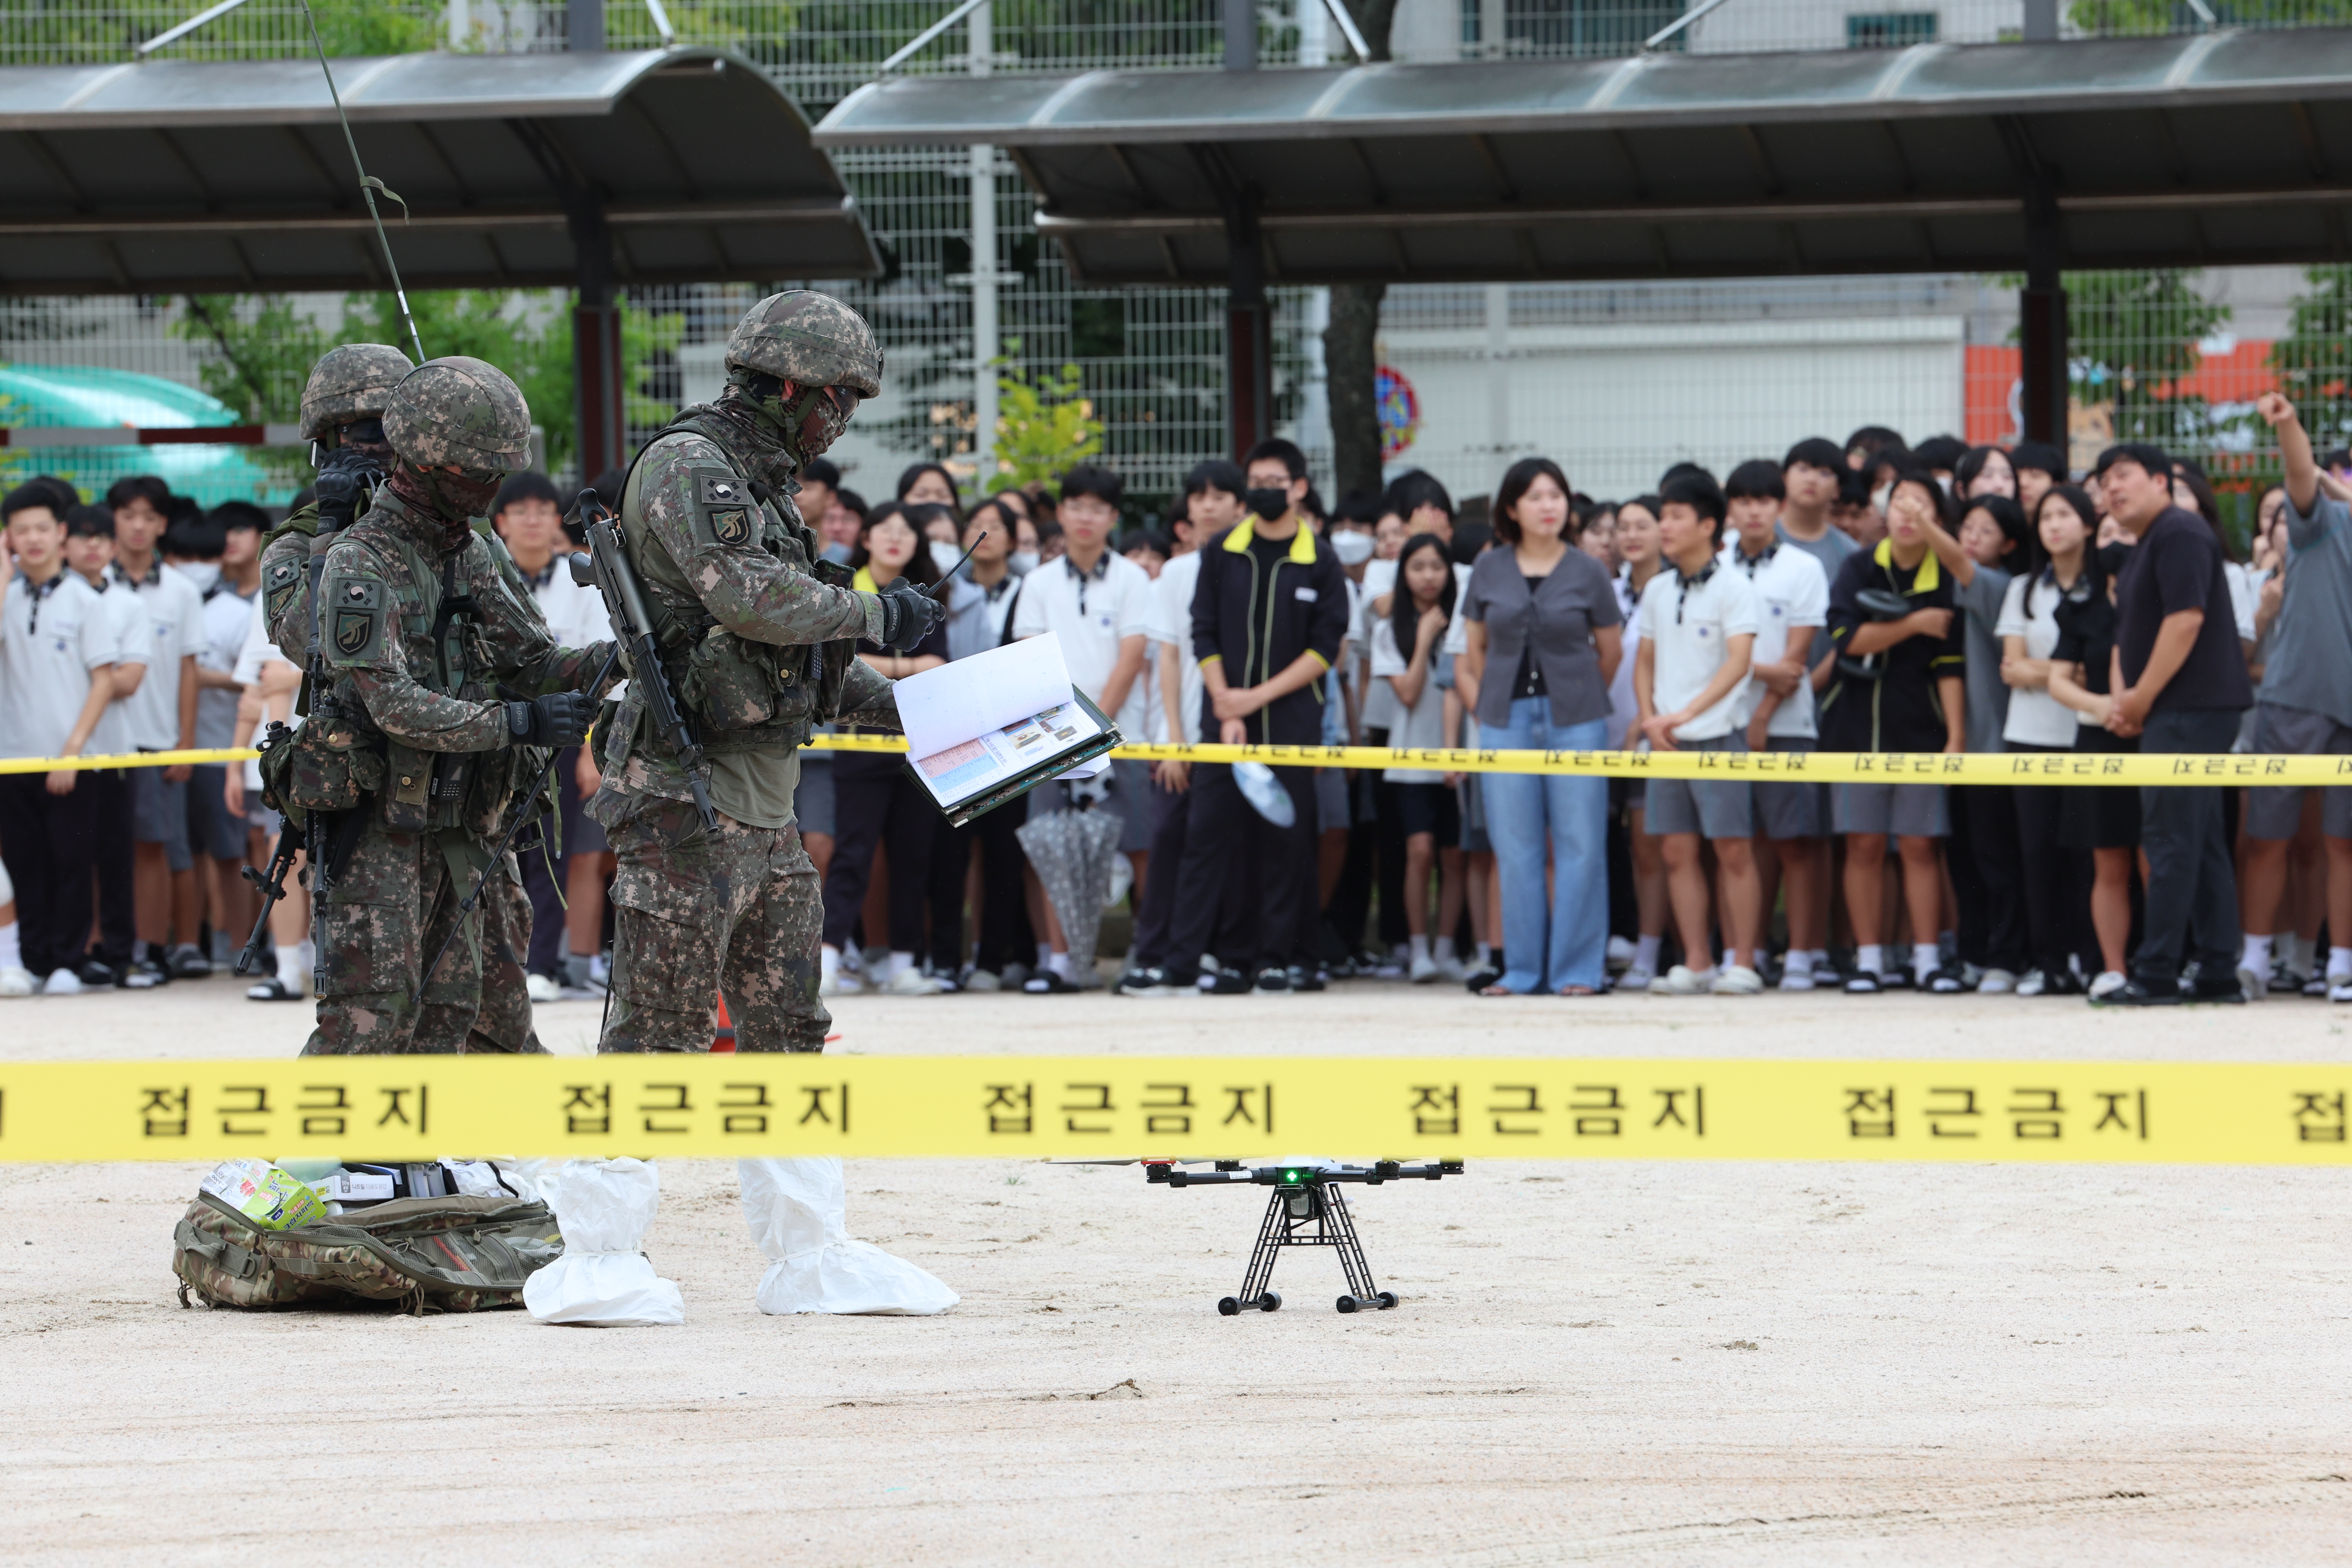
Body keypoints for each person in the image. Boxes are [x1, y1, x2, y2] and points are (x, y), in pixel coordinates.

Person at [593, 290, 934, 1053]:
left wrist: (936, 710)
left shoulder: (763, 483)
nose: (843, 419)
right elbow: (751, 600)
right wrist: (879, 615)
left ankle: (782, 1146)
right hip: (687, 800)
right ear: (789, 387)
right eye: (841, 399)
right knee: (661, 1033)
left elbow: (795, 657)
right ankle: (625, 1145)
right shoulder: (692, 464)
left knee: (790, 1029)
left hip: (765, 808)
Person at [298, 356, 613, 1055]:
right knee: (370, 1026)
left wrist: (630, 652)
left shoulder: (470, 550)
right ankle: (320, 1135)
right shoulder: (361, 558)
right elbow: (393, 704)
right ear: (425, 465)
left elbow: (535, 663)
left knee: (472, 1021)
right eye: (478, 472)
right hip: (383, 829)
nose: (494, 487)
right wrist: (521, 722)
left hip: (468, 819)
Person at [1163, 441, 1348, 995]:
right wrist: (1226, 702)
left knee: (1286, 842)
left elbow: (1325, 648)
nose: (1265, 491)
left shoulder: (1321, 558)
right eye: (1257, 482)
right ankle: (1227, 959)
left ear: (1299, 488)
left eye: (1276, 482)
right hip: (1223, 722)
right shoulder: (1223, 551)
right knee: (1218, 838)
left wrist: (1255, 699)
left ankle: (1279, 958)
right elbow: (1203, 631)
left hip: (1291, 722)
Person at [2090, 443, 2253, 1006]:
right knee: (2199, 842)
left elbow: (2186, 621)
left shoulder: (2179, 532)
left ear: (2161, 481)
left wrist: (2142, 698)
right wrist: (2130, 701)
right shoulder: (2149, 543)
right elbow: (2132, 636)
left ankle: (2157, 972)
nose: (2112, 488)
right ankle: (2217, 971)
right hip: (2178, 709)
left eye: (2123, 475)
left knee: (2169, 839)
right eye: (2104, 482)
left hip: (2188, 708)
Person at [1459, 457, 1623, 996]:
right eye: (1535, 497)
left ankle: (1578, 971)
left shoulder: (1588, 570)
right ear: (1512, 508)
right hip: (1505, 720)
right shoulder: (1489, 568)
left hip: (1576, 720)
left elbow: (1611, 650)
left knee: (1581, 845)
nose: (1548, 506)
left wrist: (1577, 693)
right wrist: (1492, 700)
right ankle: (1522, 970)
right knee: (1515, 847)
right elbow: (1476, 645)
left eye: (1556, 495)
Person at [1819, 470, 1967, 995]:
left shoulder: (1945, 576)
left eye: (1920, 504)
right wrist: (1912, 625)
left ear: (1938, 517)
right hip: (1854, 730)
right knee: (1862, 846)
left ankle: (1927, 959)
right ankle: (1869, 960)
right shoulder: (1859, 567)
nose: (1908, 513)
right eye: (1900, 502)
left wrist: (1955, 737)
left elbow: (1950, 664)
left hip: (1921, 731)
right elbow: (1847, 639)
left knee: (1921, 847)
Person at [1010, 463, 1153, 993]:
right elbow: (1030, 658)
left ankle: (1145, 951)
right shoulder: (1038, 582)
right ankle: (1063, 961)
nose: (1086, 517)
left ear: (1114, 517)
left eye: (1098, 508)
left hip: (1124, 736)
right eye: (1076, 506)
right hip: (1052, 742)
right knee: (1054, 844)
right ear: (1062, 513)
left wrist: (1096, 730)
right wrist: (1070, 734)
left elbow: (1133, 657)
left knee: (1139, 844)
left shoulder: (1133, 578)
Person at [2237, 393, 2352, 1002]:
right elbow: (2301, 472)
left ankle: (2341, 966)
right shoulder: (2320, 523)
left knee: (2343, 843)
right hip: (2294, 701)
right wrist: (2288, 424)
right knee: (2268, 836)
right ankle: (2255, 960)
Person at [1633, 469, 1761, 996]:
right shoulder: (1657, 589)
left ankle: (1744, 961)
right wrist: (1652, 719)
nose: (1664, 526)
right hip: (1665, 741)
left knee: (1733, 851)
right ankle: (1697, 961)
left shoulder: (1735, 587)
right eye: (1662, 516)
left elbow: (1739, 662)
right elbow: (1645, 661)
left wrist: (1684, 714)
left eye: (1675, 516)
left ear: (1708, 525)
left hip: (1718, 736)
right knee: (1676, 853)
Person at [818, 502, 954, 996]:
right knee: (852, 854)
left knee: (912, 856)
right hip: (859, 744)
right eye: (886, 530)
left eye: (906, 532)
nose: (896, 539)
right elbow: (837, 660)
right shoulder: (845, 592)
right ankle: (828, 960)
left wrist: (883, 666)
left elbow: (942, 664)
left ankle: (902, 964)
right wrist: (909, 669)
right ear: (867, 538)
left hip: (918, 745)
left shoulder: (929, 594)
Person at [1122, 459, 1241, 996]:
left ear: (1240, 505)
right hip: (1180, 731)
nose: (1209, 505)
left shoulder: (1252, 566)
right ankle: (1155, 955)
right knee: (1169, 840)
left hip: (1237, 731)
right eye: (1199, 496)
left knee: (1224, 847)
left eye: (1220, 495)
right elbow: (1168, 657)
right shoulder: (1175, 572)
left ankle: (1214, 951)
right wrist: (1174, 740)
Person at [489, 471, 607, 1003]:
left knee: (550, 852)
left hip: (560, 735)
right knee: (492, 848)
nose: (533, 520)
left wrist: (589, 751)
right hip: (495, 730)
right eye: (522, 511)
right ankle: (496, 965)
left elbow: (602, 671)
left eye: (543, 510)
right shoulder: (485, 576)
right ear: (501, 522)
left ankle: (541, 966)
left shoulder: (582, 578)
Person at [0, 481, 120, 996]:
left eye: (42, 529)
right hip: (12, 757)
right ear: (8, 538)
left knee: (71, 862)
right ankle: (31, 960)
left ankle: (69, 961)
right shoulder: (6, 597)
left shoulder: (84, 600)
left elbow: (104, 680)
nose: (33, 539)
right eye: (21, 530)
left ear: (60, 533)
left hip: (74, 757)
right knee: (22, 865)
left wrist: (72, 751)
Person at [1721, 459, 1832, 991]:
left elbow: (1795, 665)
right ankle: (1747, 952)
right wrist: (1753, 671)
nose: (1753, 511)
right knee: (1737, 843)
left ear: (1780, 507)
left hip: (1787, 723)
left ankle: (1802, 955)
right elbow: (1708, 654)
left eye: (1764, 501)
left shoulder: (1803, 568)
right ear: (1729, 508)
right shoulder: (1713, 564)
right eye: (1743, 501)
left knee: (1795, 842)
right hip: (1720, 721)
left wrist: (1761, 710)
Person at [1923, 492, 2033, 991]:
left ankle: (2006, 958)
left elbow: (1957, 562)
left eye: (1986, 531)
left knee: (1996, 858)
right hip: (1960, 748)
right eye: (1967, 526)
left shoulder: (2000, 586)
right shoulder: (1960, 586)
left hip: (1994, 748)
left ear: (2009, 544)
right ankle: (1972, 953)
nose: (1971, 538)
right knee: (1963, 856)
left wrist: (1921, 521)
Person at [1995, 485, 2100, 996]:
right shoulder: (2023, 589)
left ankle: (2091, 959)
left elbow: (2096, 667)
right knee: (2037, 853)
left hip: (2086, 735)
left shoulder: (2103, 586)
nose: (2054, 525)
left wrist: (2044, 672)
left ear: (2089, 524)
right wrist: (2065, 671)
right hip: (2030, 738)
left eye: (2065, 515)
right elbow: (2011, 669)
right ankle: (2048, 962)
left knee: (2087, 854)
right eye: (2046, 518)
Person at [106, 475, 208, 986]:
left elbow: (189, 672)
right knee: (100, 849)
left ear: (163, 524)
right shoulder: (90, 585)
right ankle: (102, 950)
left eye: (148, 517)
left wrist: (185, 743)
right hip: (102, 741)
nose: (138, 526)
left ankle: (152, 949)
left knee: (156, 846)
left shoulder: (181, 591)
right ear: (113, 521)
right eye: (128, 515)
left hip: (159, 739)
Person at [942, 497, 1036, 991]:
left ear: (1015, 538)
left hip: (1012, 741)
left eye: (996, 526)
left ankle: (999, 958)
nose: (985, 533)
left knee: (1004, 850)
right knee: (951, 852)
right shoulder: (947, 591)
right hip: (954, 737)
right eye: (976, 524)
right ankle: (946, 959)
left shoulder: (1028, 590)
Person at [2047, 523, 2137, 1000]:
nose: (2115, 542)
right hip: (2100, 741)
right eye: (2105, 534)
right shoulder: (2081, 609)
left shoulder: (2165, 603)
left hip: (2156, 739)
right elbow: (2058, 680)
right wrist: (2101, 706)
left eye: (2125, 531)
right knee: (2108, 861)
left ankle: (2164, 961)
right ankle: (2114, 968)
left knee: (2159, 857)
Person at [56, 496, 143, 989]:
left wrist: (93, 676)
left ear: (113, 547)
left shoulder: (128, 604)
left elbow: (128, 679)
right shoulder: (44, 597)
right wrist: (98, 675)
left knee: (115, 857)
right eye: (82, 537)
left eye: (101, 538)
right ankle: (75, 954)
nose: (92, 546)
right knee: (68, 858)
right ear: (64, 543)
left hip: (112, 749)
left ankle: (119, 955)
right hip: (56, 752)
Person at [1373, 533, 1466, 984]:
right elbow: (1408, 694)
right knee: (1420, 850)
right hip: (1411, 757)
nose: (1429, 576)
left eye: (1437, 566)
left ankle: (1446, 948)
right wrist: (1425, 635)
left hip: (1459, 753)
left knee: (1455, 855)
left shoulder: (1464, 623)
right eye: (1418, 567)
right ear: (1403, 573)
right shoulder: (1386, 630)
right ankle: (1418, 949)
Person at [191, 502, 266, 969]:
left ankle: (277, 946)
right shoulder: (210, 603)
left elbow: (268, 677)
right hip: (221, 746)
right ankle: (239, 945)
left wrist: (206, 677)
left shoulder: (277, 595)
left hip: (269, 744)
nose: (230, 539)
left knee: (268, 845)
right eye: (225, 531)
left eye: (241, 529)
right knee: (230, 851)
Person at [1606, 496, 1671, 989]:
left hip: (1654, 736)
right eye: (1623, 527)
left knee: (1651, 851)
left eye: (1641, 526)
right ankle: (1609, 942)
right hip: (1600, 737)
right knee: (1605, 848)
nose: (1630, 535)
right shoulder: (1606, 591)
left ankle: (1650, 954)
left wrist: (1643, 724)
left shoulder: (1674, 591)